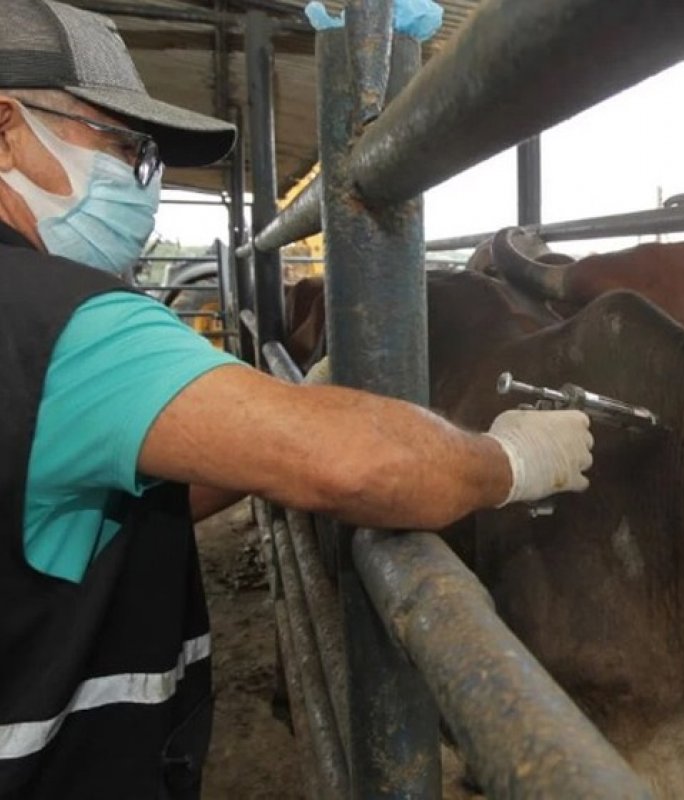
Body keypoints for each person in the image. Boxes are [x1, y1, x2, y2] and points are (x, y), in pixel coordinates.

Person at [0, 2, 594, 797]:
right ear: (6, 124)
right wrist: (512, 459)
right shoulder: (66, 324)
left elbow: (68, 506)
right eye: (125, 146)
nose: (144, 176)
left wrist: (266, 433)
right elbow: (364, 466)